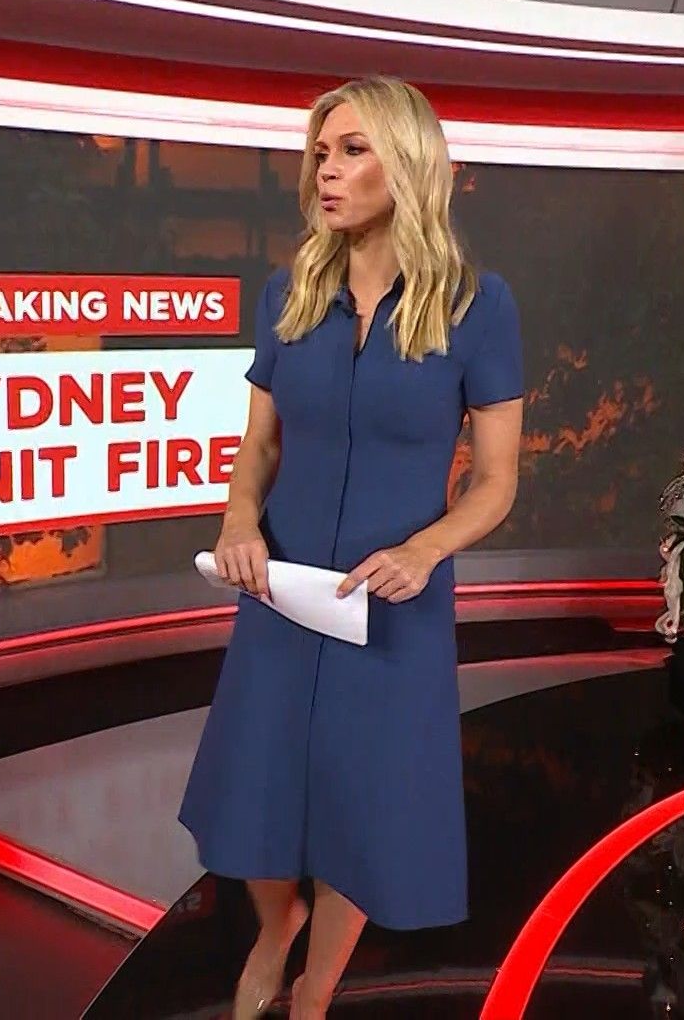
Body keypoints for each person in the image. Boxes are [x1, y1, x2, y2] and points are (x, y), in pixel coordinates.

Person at [179, 76, 525, 1019]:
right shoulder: (289, 293)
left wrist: (425, 550)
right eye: (321, 153)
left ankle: (315, 992)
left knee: (361, 807)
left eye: (352, 150)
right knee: (257, 786)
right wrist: (239, 520)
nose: (326, 171)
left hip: (393, 604)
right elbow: (260, 448)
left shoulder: (478, 305)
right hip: (285, 589)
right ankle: (274, 929)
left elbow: (495, 483)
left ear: (407, 163)